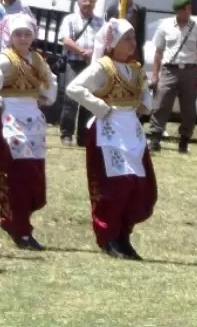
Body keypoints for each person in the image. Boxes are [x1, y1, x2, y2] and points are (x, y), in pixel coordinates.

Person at [65, 20, 156, 259]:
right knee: (115, 185)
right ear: (113, 43)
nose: (132, 43)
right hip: (109, 130)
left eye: (133, 38)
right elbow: (74, 88)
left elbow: (145, 94)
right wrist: (100, 107)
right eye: (126, 38)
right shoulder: (103, 67)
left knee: (136, 185)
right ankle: (109, 237)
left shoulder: (136, 68)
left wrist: (145, 104)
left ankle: (124, 236)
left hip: (131, 131)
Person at [0, 13, 57, 250]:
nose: (23, 38)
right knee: (16, 173)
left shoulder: (37, 60)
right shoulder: (3, 61)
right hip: (11, 119)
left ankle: (21, 218)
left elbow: (50, 81)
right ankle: (18, 225)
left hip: (32, 119)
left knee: (33, 173)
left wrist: (47, 97)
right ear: (9, 36)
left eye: (27, 34)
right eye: (18, 34)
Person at [147, 0, 197, 153]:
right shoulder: (165, 26)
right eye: (184, 9)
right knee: (161, 103)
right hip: (169, 69)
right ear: (178, 11)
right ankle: (155, 137)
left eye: (189, 9)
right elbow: (158, 52)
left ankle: (184, 140)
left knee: (188, 108)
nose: (188, 12)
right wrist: (155, 75)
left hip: (189, 70)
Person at [57, 0, 103, 146]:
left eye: (91, 1)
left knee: (88, 101)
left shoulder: (100, 22)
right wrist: (83, 52)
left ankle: (83, 137)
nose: (88, 4)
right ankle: (66, 134)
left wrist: (94, 53)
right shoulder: (70, 19)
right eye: (85, 1)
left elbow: (103, 41)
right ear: (78, 2)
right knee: (71, 99)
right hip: (74, 63)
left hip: (91, 66)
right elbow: (66, 40)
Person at [106, 0, 147, 64]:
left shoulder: (140, 10)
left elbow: (140, 35)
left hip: (133, 55)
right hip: (116, 55)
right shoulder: (112, 10)